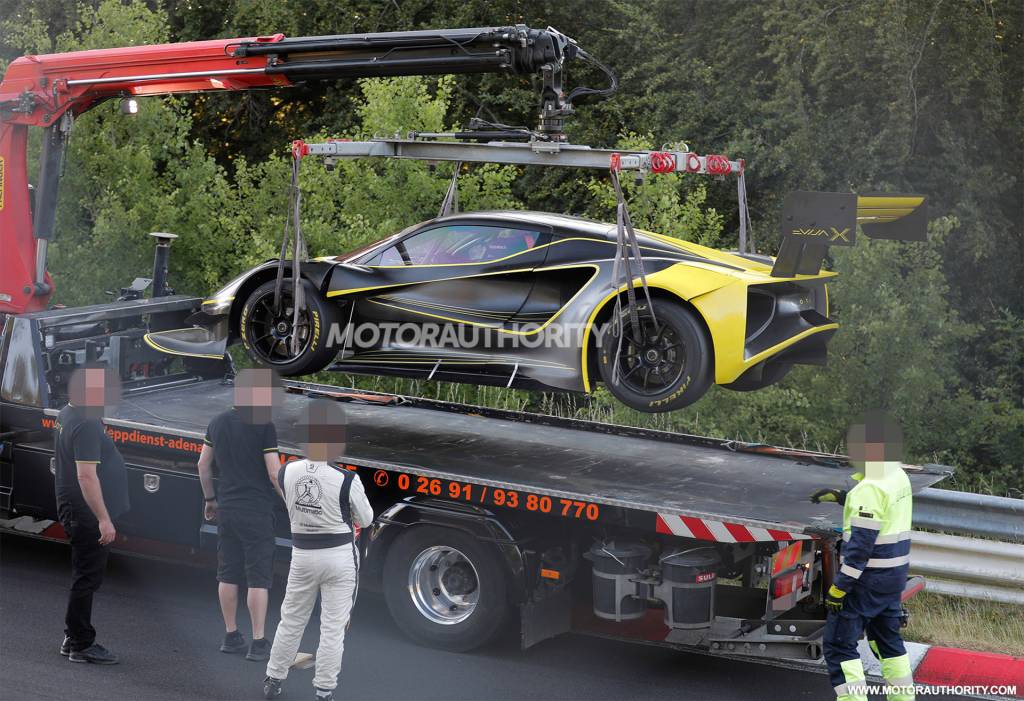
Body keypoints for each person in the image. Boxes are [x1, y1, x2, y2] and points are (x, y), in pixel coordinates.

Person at [263, 400, 373, 701]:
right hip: (339, 557)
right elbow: (366, 519)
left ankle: (274, 677)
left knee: (291, 619)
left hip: (301, 554)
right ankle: (324, 690)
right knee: (332, 628)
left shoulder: (287, 471)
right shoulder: (347, 479)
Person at [812, 412, 916, 701]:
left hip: (866, 581)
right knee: (888, 642)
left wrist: (839, 588)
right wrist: (843, 497)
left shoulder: (870, 488)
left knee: (839, 646)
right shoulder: (897, 475)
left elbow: (859, 550)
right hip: (892, 578)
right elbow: (882, 511)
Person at [198, 367, 282, 662]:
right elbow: (274, 472)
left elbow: (203, 465)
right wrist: (290, 502)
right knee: (258, 577)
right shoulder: (264, 425)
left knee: (228, 573)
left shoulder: (217, 422)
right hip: (256, 511)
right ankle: (258, 642)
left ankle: (231, 635)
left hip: (228, 509)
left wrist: (210, 499)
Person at [54, 366, 130, 664]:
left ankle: (72, 635)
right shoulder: (85, 423)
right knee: (87, 577)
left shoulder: (69, 413)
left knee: (84, 575)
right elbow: (86, 476)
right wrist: (103, 519)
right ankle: (81, 644)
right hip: (85, 513)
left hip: (74, 507)